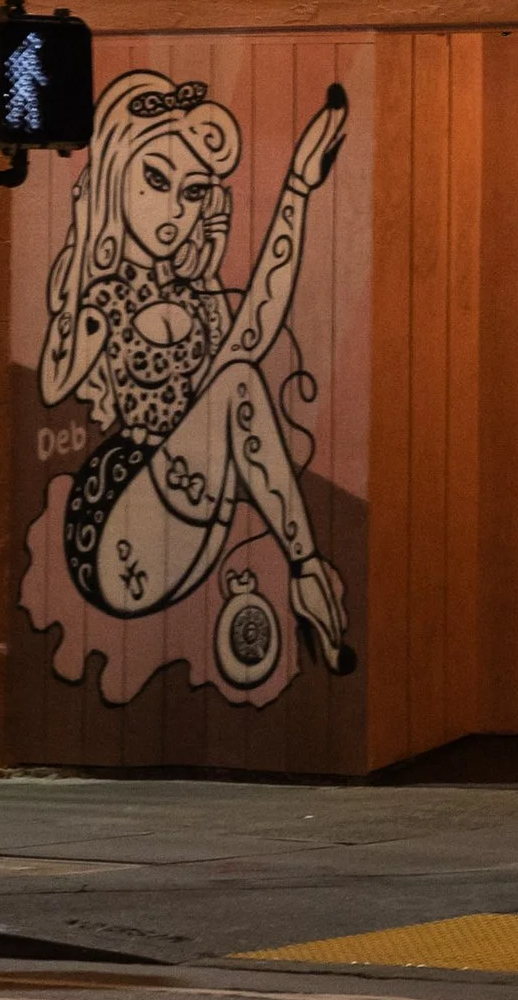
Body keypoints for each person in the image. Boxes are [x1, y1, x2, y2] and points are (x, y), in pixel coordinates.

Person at [39, 70, 354, 673]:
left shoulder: (196, 297)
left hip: (189, 526)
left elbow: (256, 328)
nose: (173, 213)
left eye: (193, 194)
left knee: (237, 376)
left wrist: (298, 187)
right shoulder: (105, 300)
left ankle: (306, 573)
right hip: (116, 530)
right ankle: (306, 570)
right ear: (117, 172)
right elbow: (54, 384)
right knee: (237, 381)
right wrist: (80, 259)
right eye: (156, 180)